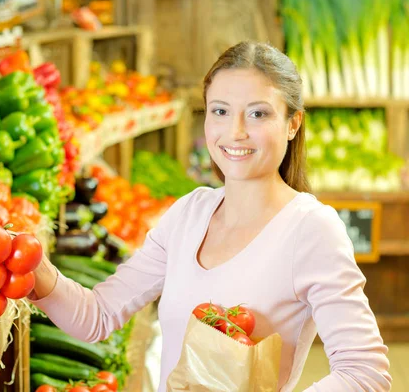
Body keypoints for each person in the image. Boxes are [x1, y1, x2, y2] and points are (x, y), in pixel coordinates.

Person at [28, 41, 392, 392]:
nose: (235, 132)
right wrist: (36, 271)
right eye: (220, 111)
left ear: (293, 124)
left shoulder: (310, 229)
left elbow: (364, 372)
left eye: (258, 113)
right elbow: (97, 316)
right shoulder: (189, 212)